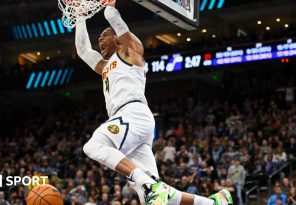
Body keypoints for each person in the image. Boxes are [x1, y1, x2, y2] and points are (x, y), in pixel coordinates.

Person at [74, 0, 232, 204]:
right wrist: (79, 17)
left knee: (94, 146)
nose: (99, 40)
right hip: (129, 120)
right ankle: (214, 202)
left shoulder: (131, 51)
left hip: (133, 112)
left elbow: (116, 21)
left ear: (118, 39)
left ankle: (149, 185)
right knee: (157, 196)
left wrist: (110, 8)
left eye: (103, 36)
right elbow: (83, 50)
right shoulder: (105, 67)